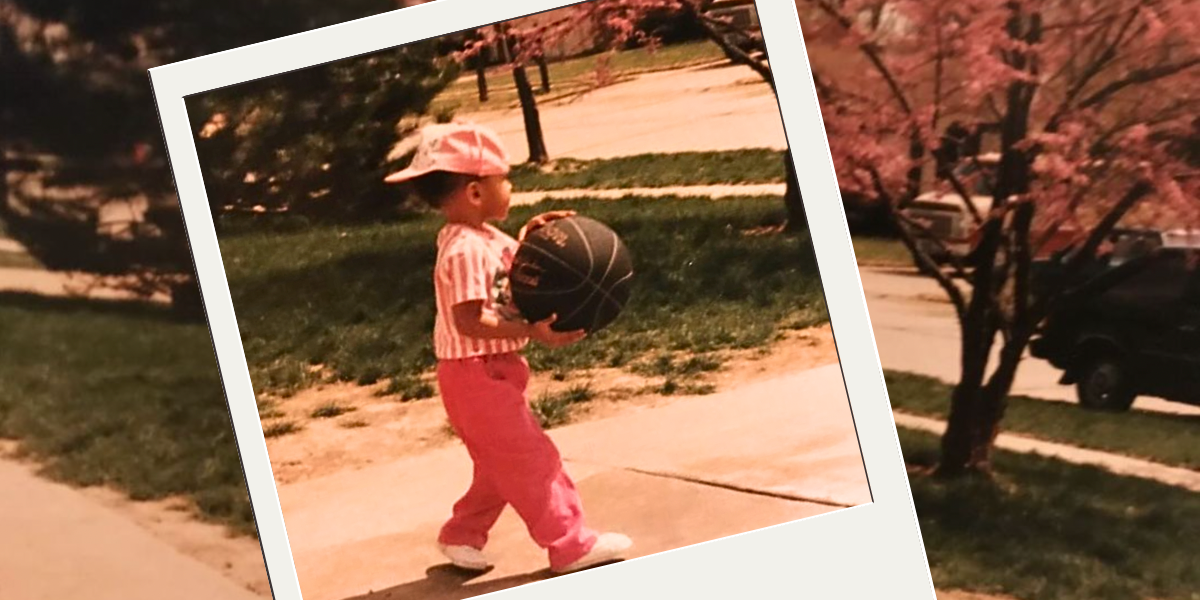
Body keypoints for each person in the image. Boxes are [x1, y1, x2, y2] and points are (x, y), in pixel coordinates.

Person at [383, 121, 632, 574]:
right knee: (532, 459)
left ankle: (461, 536)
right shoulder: (461, 250)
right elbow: (469, 320)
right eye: (505, 179)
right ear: (476, 192)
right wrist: (533, 332)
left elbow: (513, 266)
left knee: (498, 466)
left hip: (490, 371)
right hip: (473, 373)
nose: (511, 187)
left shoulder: (480, 238)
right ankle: (570, 544)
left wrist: (539, 237)